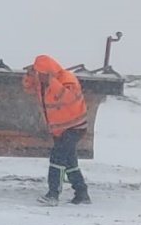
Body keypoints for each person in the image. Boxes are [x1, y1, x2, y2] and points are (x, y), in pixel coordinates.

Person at [22, 54, 91, 206]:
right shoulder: (42, 82)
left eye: (40, 73)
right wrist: (30, 75)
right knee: (69, 162)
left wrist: (50, 81)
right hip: (60, 129)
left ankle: (53, 194)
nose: (39, 77)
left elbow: (65, 98)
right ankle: (82, 193)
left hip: (74, 127)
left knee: (57, 158)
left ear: (48, 72)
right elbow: (28, 88)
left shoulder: (67, 80)